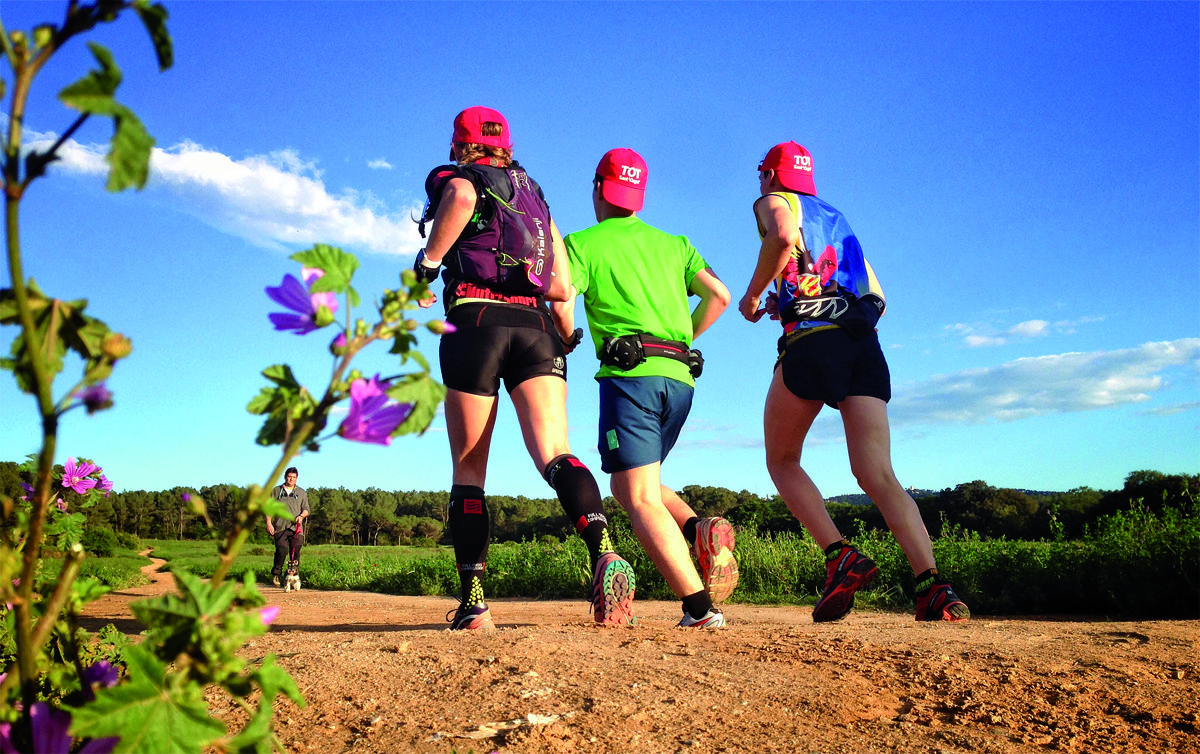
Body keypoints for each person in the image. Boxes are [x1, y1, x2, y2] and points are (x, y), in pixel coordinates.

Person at [414, 107, 636, 630]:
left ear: (459, 143)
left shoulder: (457, 178)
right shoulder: (535, 195)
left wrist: (426, 265)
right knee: (556, 454)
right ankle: (603, 548)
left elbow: (463, 200)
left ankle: (473, 604)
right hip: (537, 329)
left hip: (475, 319)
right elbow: (562, 285)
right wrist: (562, 335)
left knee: (469, 471)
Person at [738, 141, 970, 623]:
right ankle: (933, 588)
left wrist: (755, 293)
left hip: (812, 345)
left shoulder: (777, 201)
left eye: (761, 173)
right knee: (877, 474)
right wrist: (792, 299)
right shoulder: (837, 219)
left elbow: (781, 237)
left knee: (781, 461)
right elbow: (874, 295)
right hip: (864, 349)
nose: (759, 182)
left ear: (772, 175)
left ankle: (839, 556)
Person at [551, 148, 736, 629]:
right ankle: (699, 529)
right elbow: (720, 295)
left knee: (638, 499)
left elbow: (563, 302)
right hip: (681, 379)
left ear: (597, 188)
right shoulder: (676, 244)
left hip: (630, 378)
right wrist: (680, 340)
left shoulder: (582, 244)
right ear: (639, 196)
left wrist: (567, 338)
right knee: (633, 483)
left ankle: (700, 610)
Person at [267, 466, 309, 588]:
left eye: (294, 477)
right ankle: (276, 574)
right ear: (285, 477)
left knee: (295, 554)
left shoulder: (301, 493)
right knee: (282, 550)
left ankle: (293, 578)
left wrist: (301, 516)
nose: (291, 479)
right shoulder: (276, 491)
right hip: (280, 527)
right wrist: (269, 522)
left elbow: (306, 509)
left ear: (297, 478)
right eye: (289, 476)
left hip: (296, 528)